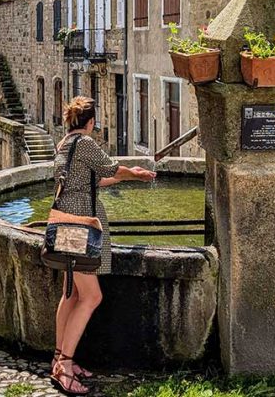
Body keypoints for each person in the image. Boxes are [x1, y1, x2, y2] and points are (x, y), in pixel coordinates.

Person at [50, 96, 157, 395]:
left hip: (64, 224)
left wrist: (129, 177)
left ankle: (59, 358)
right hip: (81, 227)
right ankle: (65, 367)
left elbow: (94, 180)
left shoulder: (65, 145)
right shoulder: (84, 144)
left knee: (70, 294)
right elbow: (110, 169)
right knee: (92, 297)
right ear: (92, 123)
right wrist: (132, 172)